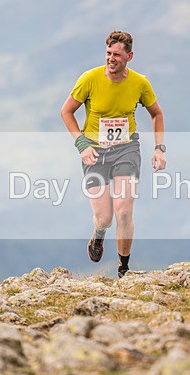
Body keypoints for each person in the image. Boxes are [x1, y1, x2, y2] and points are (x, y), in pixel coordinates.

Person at [60, 30, 166, 277]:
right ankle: (99, 235)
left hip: (126, 149)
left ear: (129, 56)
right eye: (108, 53)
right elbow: (66, 111)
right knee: (105, 218)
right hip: (94, 152)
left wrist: (159, 148)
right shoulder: (89, 79)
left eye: (117, 54)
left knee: (124, 210)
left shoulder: (140, 83)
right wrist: (81, 144)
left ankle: (123, 269)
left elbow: (157, 114)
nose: (111, 58)